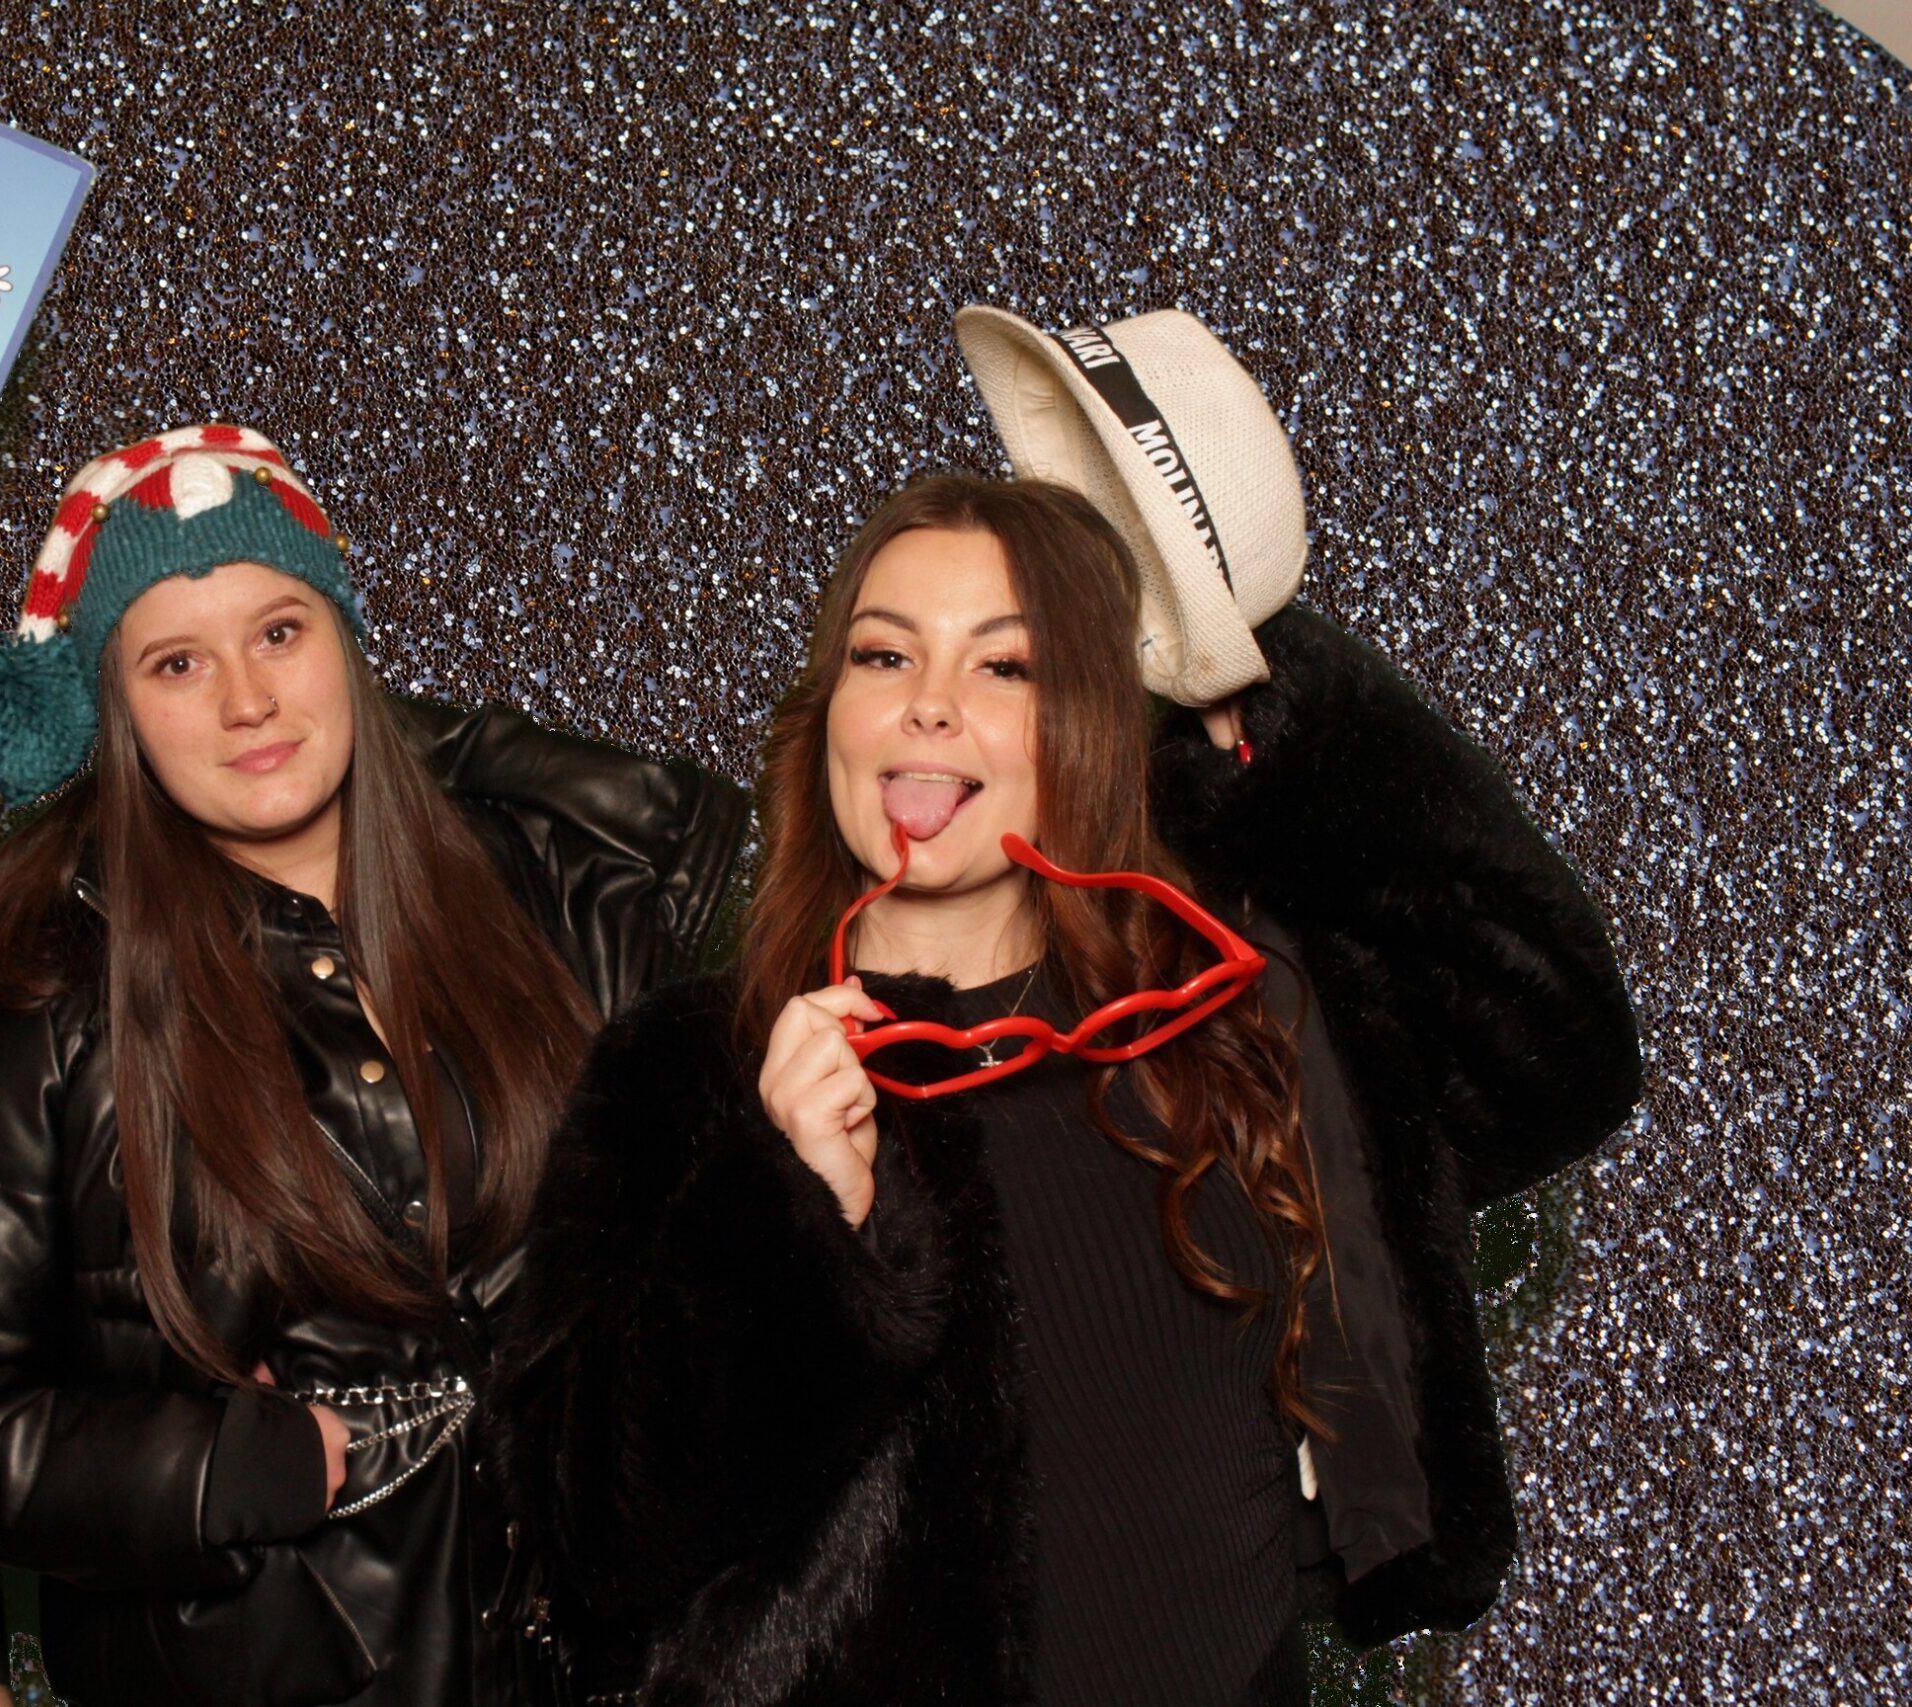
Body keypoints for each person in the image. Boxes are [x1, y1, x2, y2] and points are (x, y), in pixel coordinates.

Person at [492, 313, 1643, 1705]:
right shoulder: (689, 1069)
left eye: (1007, 664)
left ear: (1093, 718)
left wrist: (1236, 648)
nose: (928, 706)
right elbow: (587, 1543)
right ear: (827, 715)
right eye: (883, 656)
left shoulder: (1232, 1017)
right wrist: (790, 1216)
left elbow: (1554, 1038)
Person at [0, 425, 749, 1706]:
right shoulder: (58, 996)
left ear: (346, 641)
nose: (247, 701)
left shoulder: (546, 897)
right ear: (114, 711)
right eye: (176, 662)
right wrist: (209, 1471)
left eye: (281, 633)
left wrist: (407, 740)